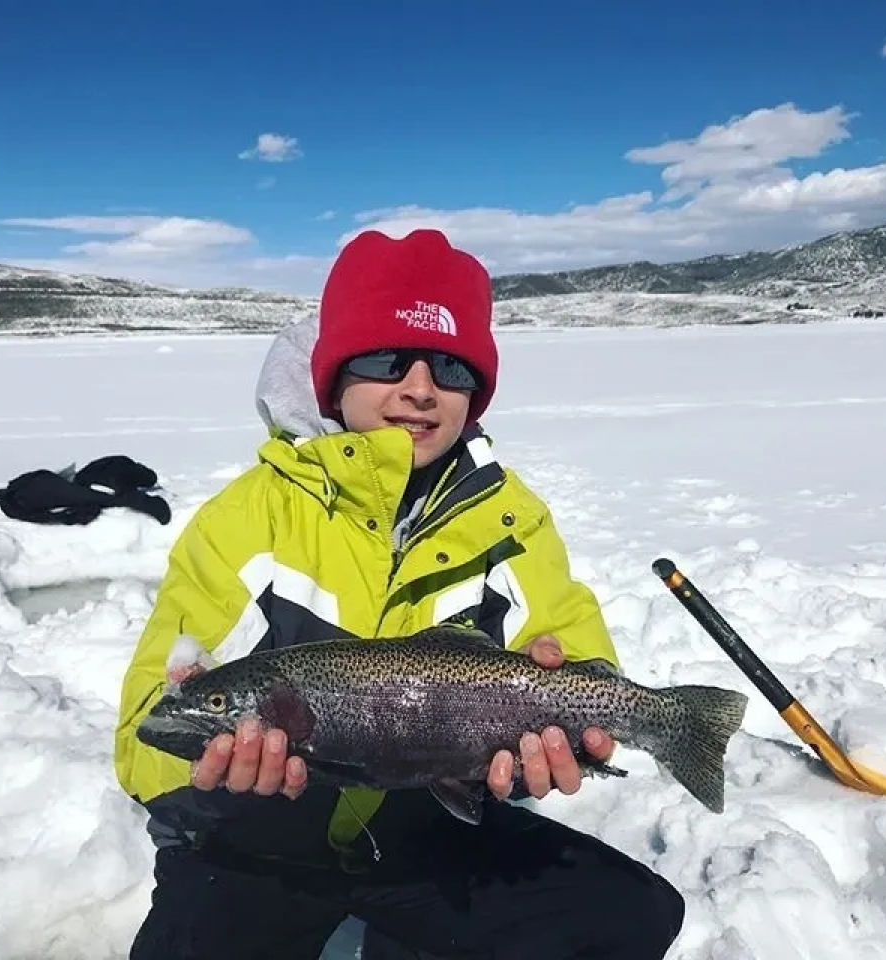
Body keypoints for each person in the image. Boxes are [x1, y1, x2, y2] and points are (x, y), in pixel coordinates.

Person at [113, 228, 687, 959]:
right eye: (387, 360)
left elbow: (570, 646)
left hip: (434, 832)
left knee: (630, 914)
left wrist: (579, 714)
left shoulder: (513, 518)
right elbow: (146, 731)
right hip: (253, 844)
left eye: (449, 366)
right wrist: (210, 774)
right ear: (334, 376)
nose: (420, 388)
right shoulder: (244, 519)